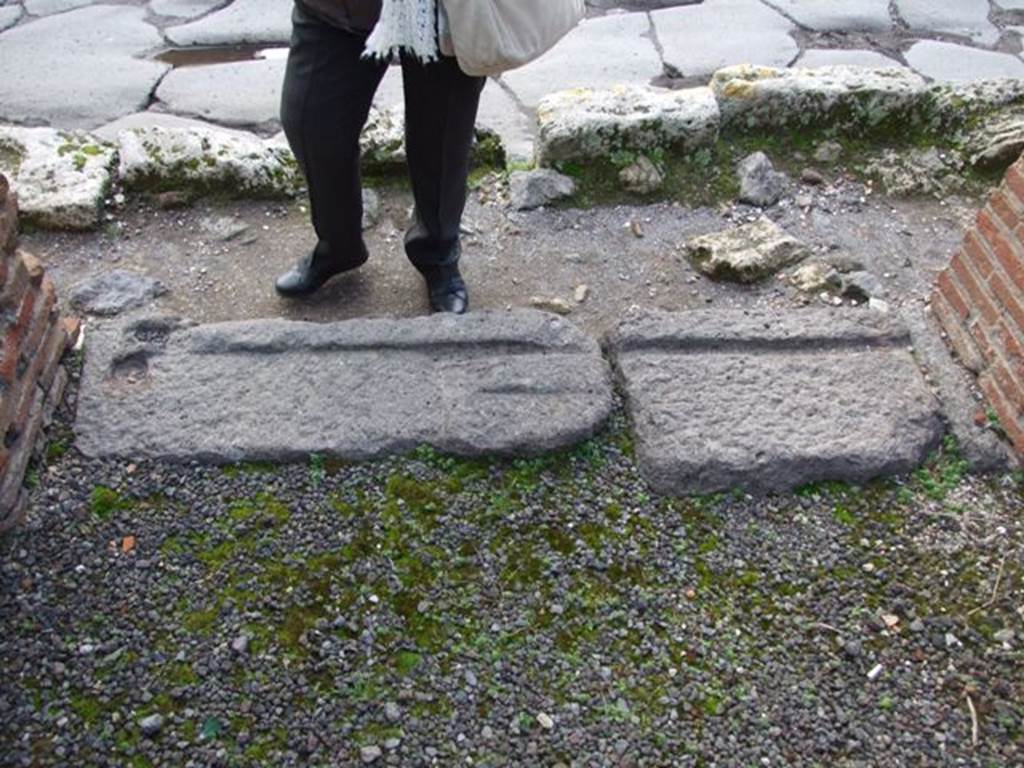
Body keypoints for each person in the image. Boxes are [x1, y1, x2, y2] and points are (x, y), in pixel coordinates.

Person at [276, 0, 485, 314]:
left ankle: (437, 251)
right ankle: (338, 245)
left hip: (446, 11)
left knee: (443, 136)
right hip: (337, 9)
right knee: (310, 119)